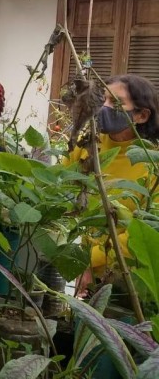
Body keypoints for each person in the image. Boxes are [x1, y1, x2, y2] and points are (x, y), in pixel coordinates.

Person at [68, 74, 159, 296]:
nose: (104, 108)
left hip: (127, 276)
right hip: (80, 262)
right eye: (103, 99)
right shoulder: (86, 144)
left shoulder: (151, 163)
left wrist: (92, 260)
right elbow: (65, 188)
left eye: (115, 102)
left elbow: (147, 230)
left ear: (141, 115)